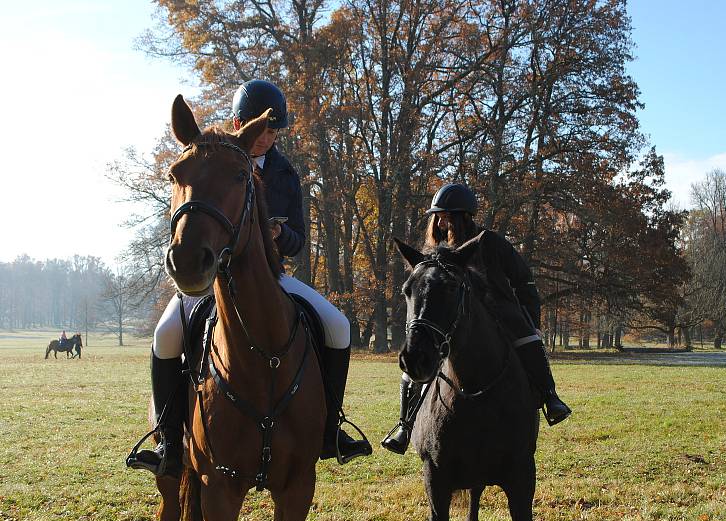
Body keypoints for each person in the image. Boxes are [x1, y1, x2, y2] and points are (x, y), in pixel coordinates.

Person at [127, 79, 371, 478]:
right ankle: (168, 440)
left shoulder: (286, 174)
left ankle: (330, 430)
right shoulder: (213, 158)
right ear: (240, 123)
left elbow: (298, 240)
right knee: (165, 334)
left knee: (339, 326)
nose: (266, 140)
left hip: (270, 276)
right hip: (213, 276)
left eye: (274, 132)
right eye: (262, 130)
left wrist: (279, 234)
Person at [382, 183, 571, 454]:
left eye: (447, 215)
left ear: (463, 216)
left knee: (529, 339)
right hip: (453, 315)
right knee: (415, 359)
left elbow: (523, 280)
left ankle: (551, 398)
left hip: (498, 310)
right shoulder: (434, 251)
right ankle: (405, 424)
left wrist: (533, 321)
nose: (441, 220)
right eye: (439, 215)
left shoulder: (490, 241)